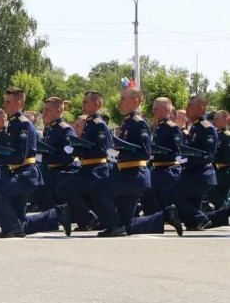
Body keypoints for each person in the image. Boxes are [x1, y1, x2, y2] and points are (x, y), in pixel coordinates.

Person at [92, 87, 183, 236]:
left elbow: (145, 153)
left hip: (134, 175)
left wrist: (120, 152)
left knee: (98, 188)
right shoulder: (128, 122)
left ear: (135, 101)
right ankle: (166, 216)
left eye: (123, 99)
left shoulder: (139, 123)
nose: (120, 102)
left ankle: (114, 226)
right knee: (128, 225)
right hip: (128, 174)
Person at [161, 95, 229, 231]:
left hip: (200, 174)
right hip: (192, 173)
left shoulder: (207, 128)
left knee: (169, 194)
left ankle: (202, 218)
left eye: (190, 106)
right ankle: (213, 218)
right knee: (191, 223)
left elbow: (208, 155)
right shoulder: (195, 127)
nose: (187, 109)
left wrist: (188, 160)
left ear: (201, 108)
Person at [0, 88, 43, 238]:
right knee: (19, 218)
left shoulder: (23, 124)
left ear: (19, 103)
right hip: (16, 172)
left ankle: (12, 227)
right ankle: (59, 214)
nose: (4, 105)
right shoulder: (14, 123)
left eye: (8, 102)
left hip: (25, 173)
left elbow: (19, 156)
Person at [55, 92, 112, 232]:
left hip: (96, 169)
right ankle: (87, 218)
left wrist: (79, 151)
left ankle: (89, 218)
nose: (83, 105)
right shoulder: (89, 123)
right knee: (62, 181)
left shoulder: (99, 125)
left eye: (86, 102)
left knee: (65, 188)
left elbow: (102, 150)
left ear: (97, 104)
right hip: (86, 168)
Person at [146, 97, 182, 214]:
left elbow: (176, 150)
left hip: (168, 170)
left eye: (156, 109)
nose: (153, 111)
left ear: (166, 109)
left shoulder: (172, 128)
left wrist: (158, 151)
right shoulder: (158, 127)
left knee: (169, 202)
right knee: (154, 203)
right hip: (157, 169)